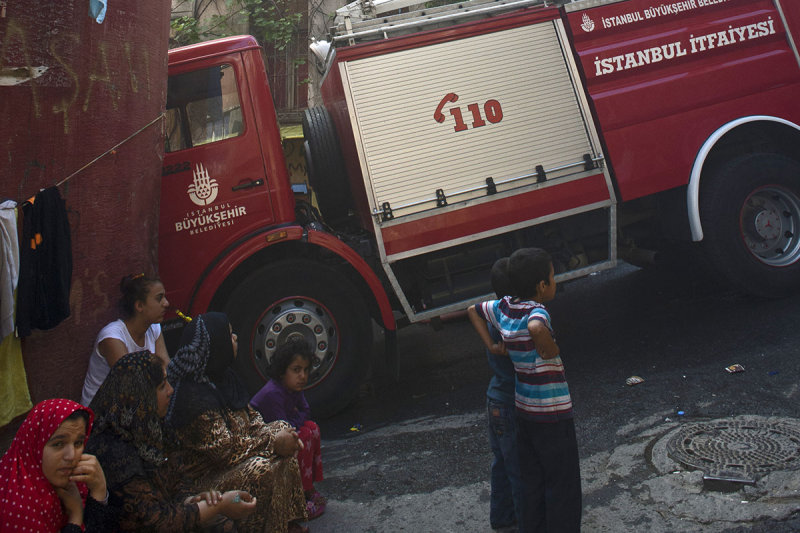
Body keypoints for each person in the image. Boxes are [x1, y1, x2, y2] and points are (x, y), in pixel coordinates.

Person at [468, 248, 581, 533]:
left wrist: (492, 346)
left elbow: (472, 310)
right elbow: (536, 326)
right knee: (555, 478)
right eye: (553, 278)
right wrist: (549, 347)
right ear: (540, 286)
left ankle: (513, 520)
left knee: (518, 471)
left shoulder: (501, 310)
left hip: (513, 406)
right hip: (542, 409)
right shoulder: (535, 313)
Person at [166, 312, 309, 533]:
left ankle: (284, 524)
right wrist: (273, 443)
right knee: (260, 468)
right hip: (204, 481)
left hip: (236, 456)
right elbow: (224, 450)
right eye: (229, 334)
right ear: (216, 345)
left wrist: (280, 436)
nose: (235, 338)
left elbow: (253, 419)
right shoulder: (193, 397)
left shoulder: (226, 377)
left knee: (283, 430)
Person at [88, 351, 257, 532]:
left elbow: (175, 479)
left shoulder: (150, 428)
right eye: (162, 386)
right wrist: (220, 505)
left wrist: (192, 500)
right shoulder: (114, 451)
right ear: (141, 397)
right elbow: (157, 521)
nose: (171, 390)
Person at [0, 399, 116, 532]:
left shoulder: (74, 484)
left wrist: (100, 489)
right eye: (58, 444)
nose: (71, 456)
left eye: (78, 443)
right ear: (33, 447)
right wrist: (76, 517)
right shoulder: (16, 509)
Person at [250, 338, 326, 520]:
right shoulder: (273, 393)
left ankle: (308, 487)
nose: (303, 376)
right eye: (296, 370)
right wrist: (295, 418)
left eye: (306, 370)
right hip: (263, 443)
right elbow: (284, 427)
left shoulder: (294, 388)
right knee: (304, 434)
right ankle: (298, 496)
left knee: (313, 428)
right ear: (282, 371)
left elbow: (305, 411)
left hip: (283, 429)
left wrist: (295, 418)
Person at [81, 273, 170, 405]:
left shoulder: (154, 328)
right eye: (159, 298)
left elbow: (165, 366)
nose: (166, 303)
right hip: (102, 413)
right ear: (139, 306)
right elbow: (132, 384)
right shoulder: (112, 337)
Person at [483, 257, 524, 531]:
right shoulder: (518, 321)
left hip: (494, 398)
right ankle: (527, 520)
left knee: (502, 464)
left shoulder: (495, 312)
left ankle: (500, 517)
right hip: (512, 402)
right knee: (520, 468)